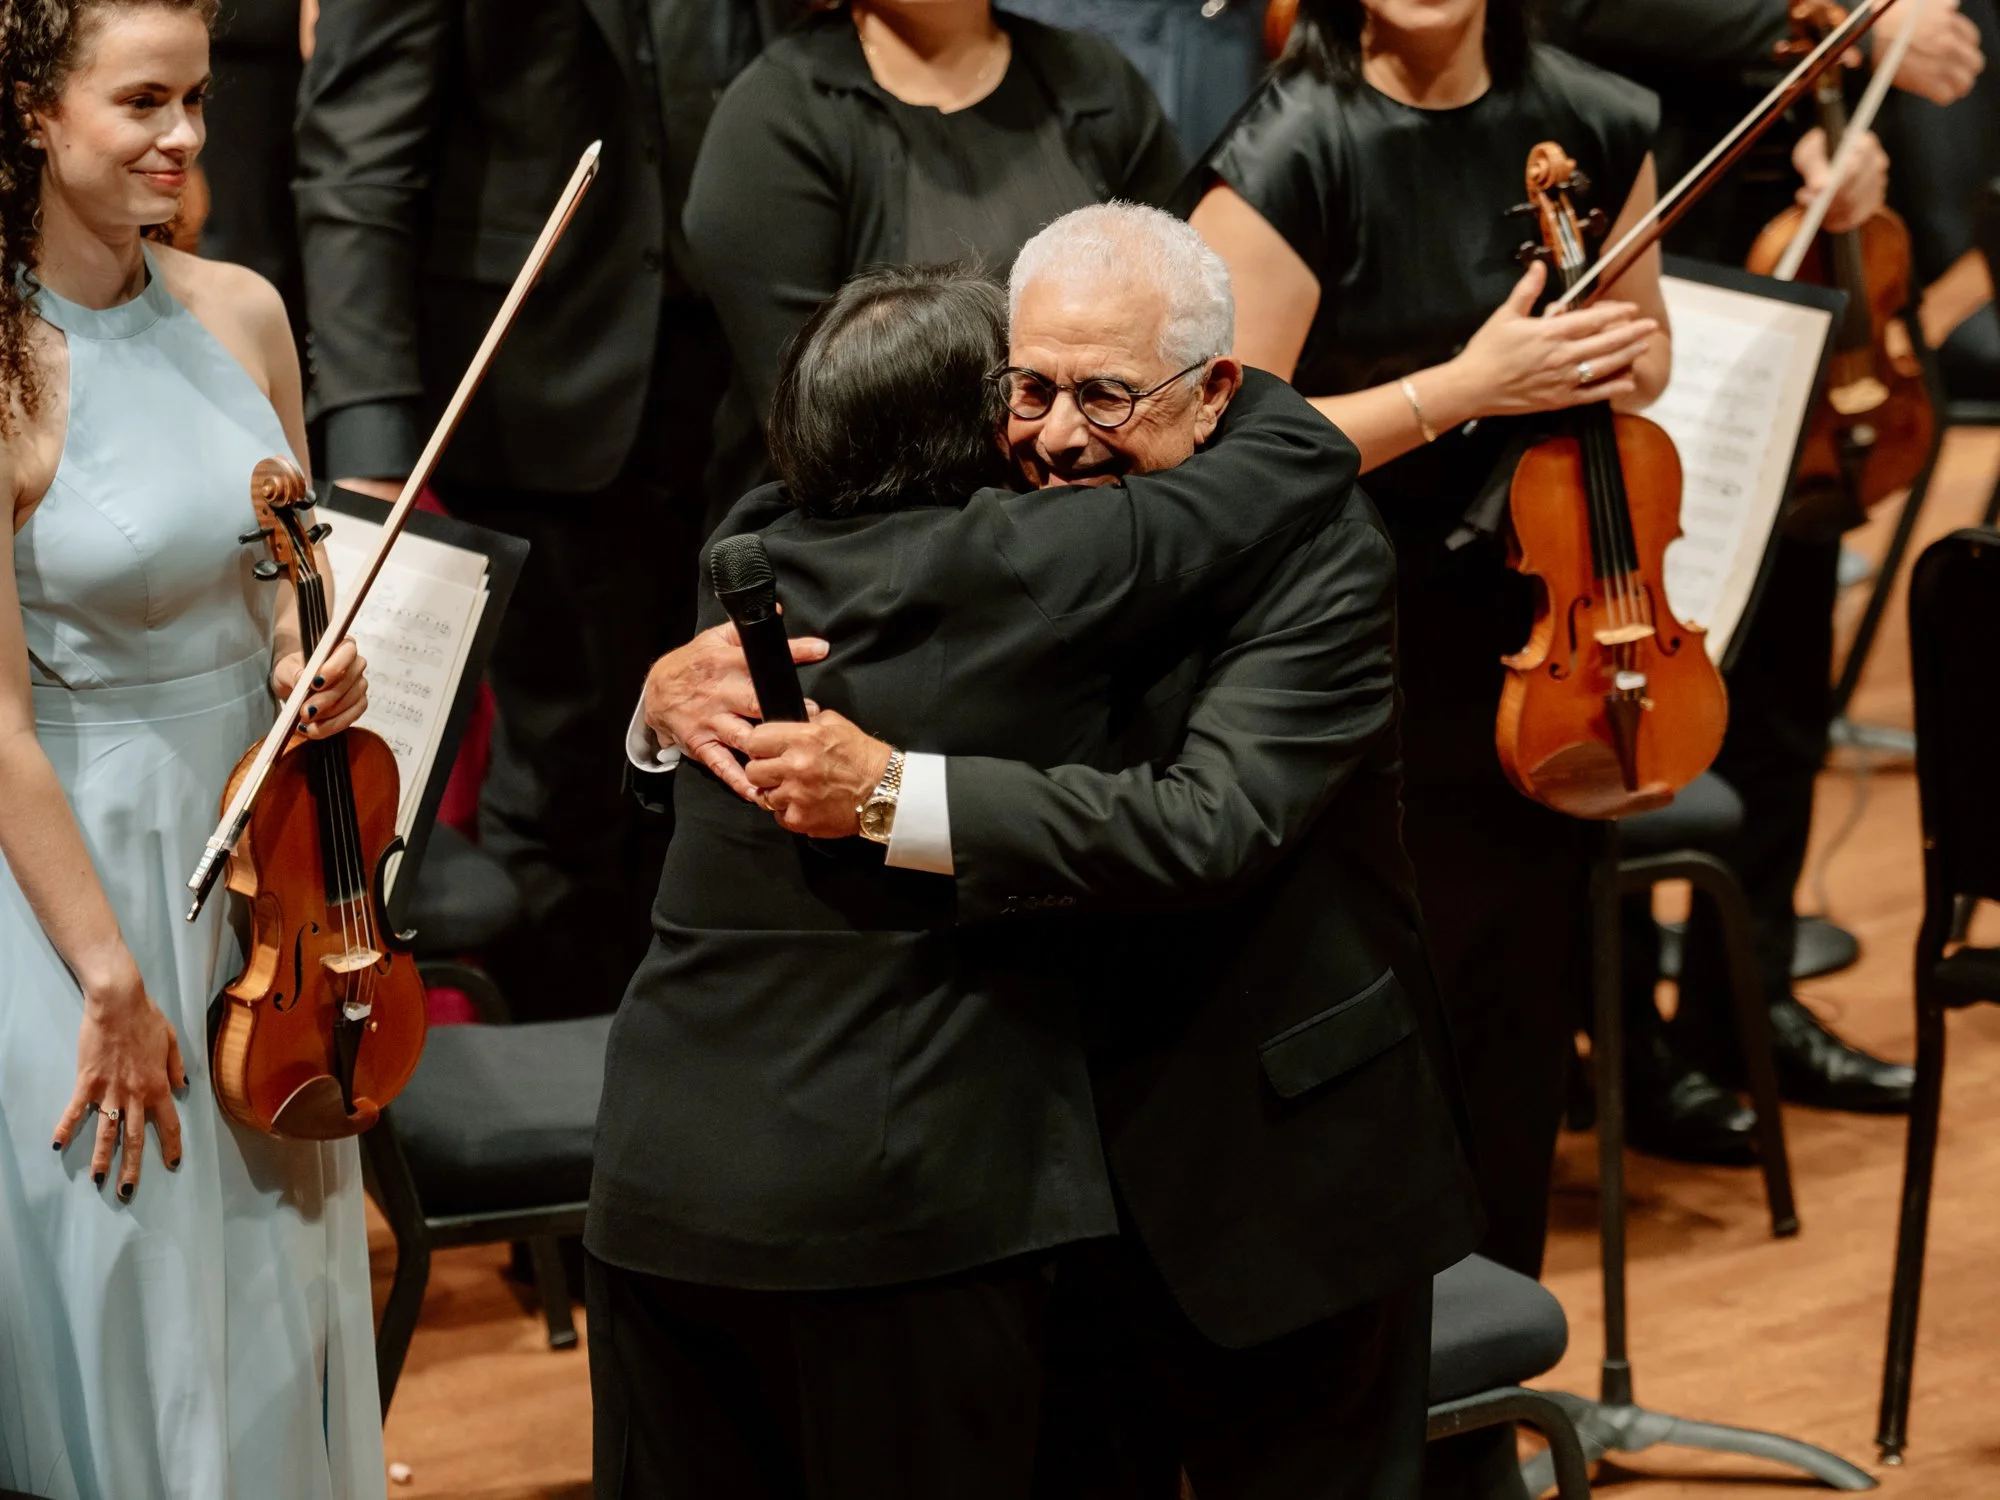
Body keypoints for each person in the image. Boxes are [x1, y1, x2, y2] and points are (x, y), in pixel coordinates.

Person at [637, 204, 1481, 1500]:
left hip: (1265, 1156)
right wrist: (658, 711)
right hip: (1024, 1182)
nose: (1059, 432)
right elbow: (781, 538)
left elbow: (1212, 821)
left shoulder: (1319, 550)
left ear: (1213, 392)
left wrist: (895, 797)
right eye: (1030, 387)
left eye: (1105, 394)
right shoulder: (987, 474)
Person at [0, 1, 381, 1495]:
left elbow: (287, 585)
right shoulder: (8, 369)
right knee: (132, 1287)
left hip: (268, 887)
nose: (184, 139)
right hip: (80, 878)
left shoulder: (243, 312)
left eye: (201, 101)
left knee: (276, 1283)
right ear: (34, 111)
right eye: (142, 101)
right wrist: (107, 977)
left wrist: (312, 660)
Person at [1542, 0, 1986, 1160]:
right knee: (1625, 671)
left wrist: (1833, 121)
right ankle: (1616, 1033)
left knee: (1782, 685)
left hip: (1784, 261)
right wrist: (1845, 25)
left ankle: (1748, 1009)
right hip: (1629, 241)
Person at [294, 0, 778, 1020]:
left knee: (729, 761)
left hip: (745, 389)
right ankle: (569, 1097)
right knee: (563, 792)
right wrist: (373, 453)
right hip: (540, 390)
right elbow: (358, 161)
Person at [681, 0, 1184, 516]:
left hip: (1111, 516)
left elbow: (1177, 316)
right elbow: (821, 424)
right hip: (872, 542)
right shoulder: (775, 115)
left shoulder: (1093, 78)